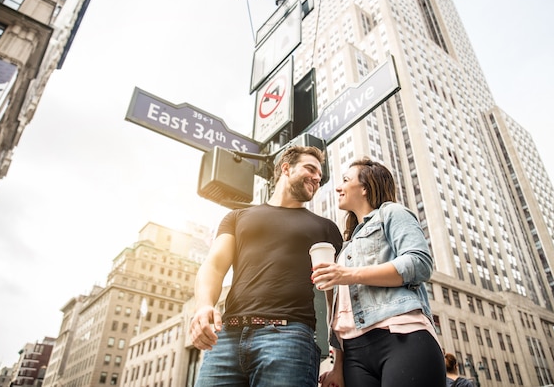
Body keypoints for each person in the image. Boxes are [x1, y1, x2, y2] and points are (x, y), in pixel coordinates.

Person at [189, 145, 344, 387]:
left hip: (289, 339)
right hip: (226, 339)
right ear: (286, 168)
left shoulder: (325, 228)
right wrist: (203, 306)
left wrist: (339, 363)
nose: (317, 177)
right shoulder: (237, 217)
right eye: (310, 169)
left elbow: (337, 300)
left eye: (319, 175)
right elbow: (215, 265)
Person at [314, 157, 446, 387]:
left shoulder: (392, 213)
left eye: (345, 180)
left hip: (400, 335)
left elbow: (419, 263)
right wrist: (338, 366)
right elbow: (342, 313)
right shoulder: (348, 244)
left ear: (364, 188)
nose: (338, 187)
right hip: (353, 355)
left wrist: (348, 274)